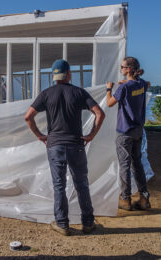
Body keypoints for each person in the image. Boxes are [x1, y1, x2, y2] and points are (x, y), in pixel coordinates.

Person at [24, 59, 105, 236]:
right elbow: (100, 113)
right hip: (75, 145)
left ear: (54, 76)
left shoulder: (46, 94)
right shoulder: (79, 93)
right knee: (82, 184)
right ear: (69, 74)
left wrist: (40, 136)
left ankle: (62, 224)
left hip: (55, 145)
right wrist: (91, 135)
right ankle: (88, 223)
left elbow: (28, 117)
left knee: (59, 185)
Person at [106, 56, 151, 211]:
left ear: (129, 69)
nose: (121, 69)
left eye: (122, 67)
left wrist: (108, 89)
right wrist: (127, 82)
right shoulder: (141, 84)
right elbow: (147, 84)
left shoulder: (124, 88)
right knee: (137, 164)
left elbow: (109, 103)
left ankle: (126, 200)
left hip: (125, 132)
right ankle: (144, 198)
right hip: (138, 131)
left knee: (125, 165)